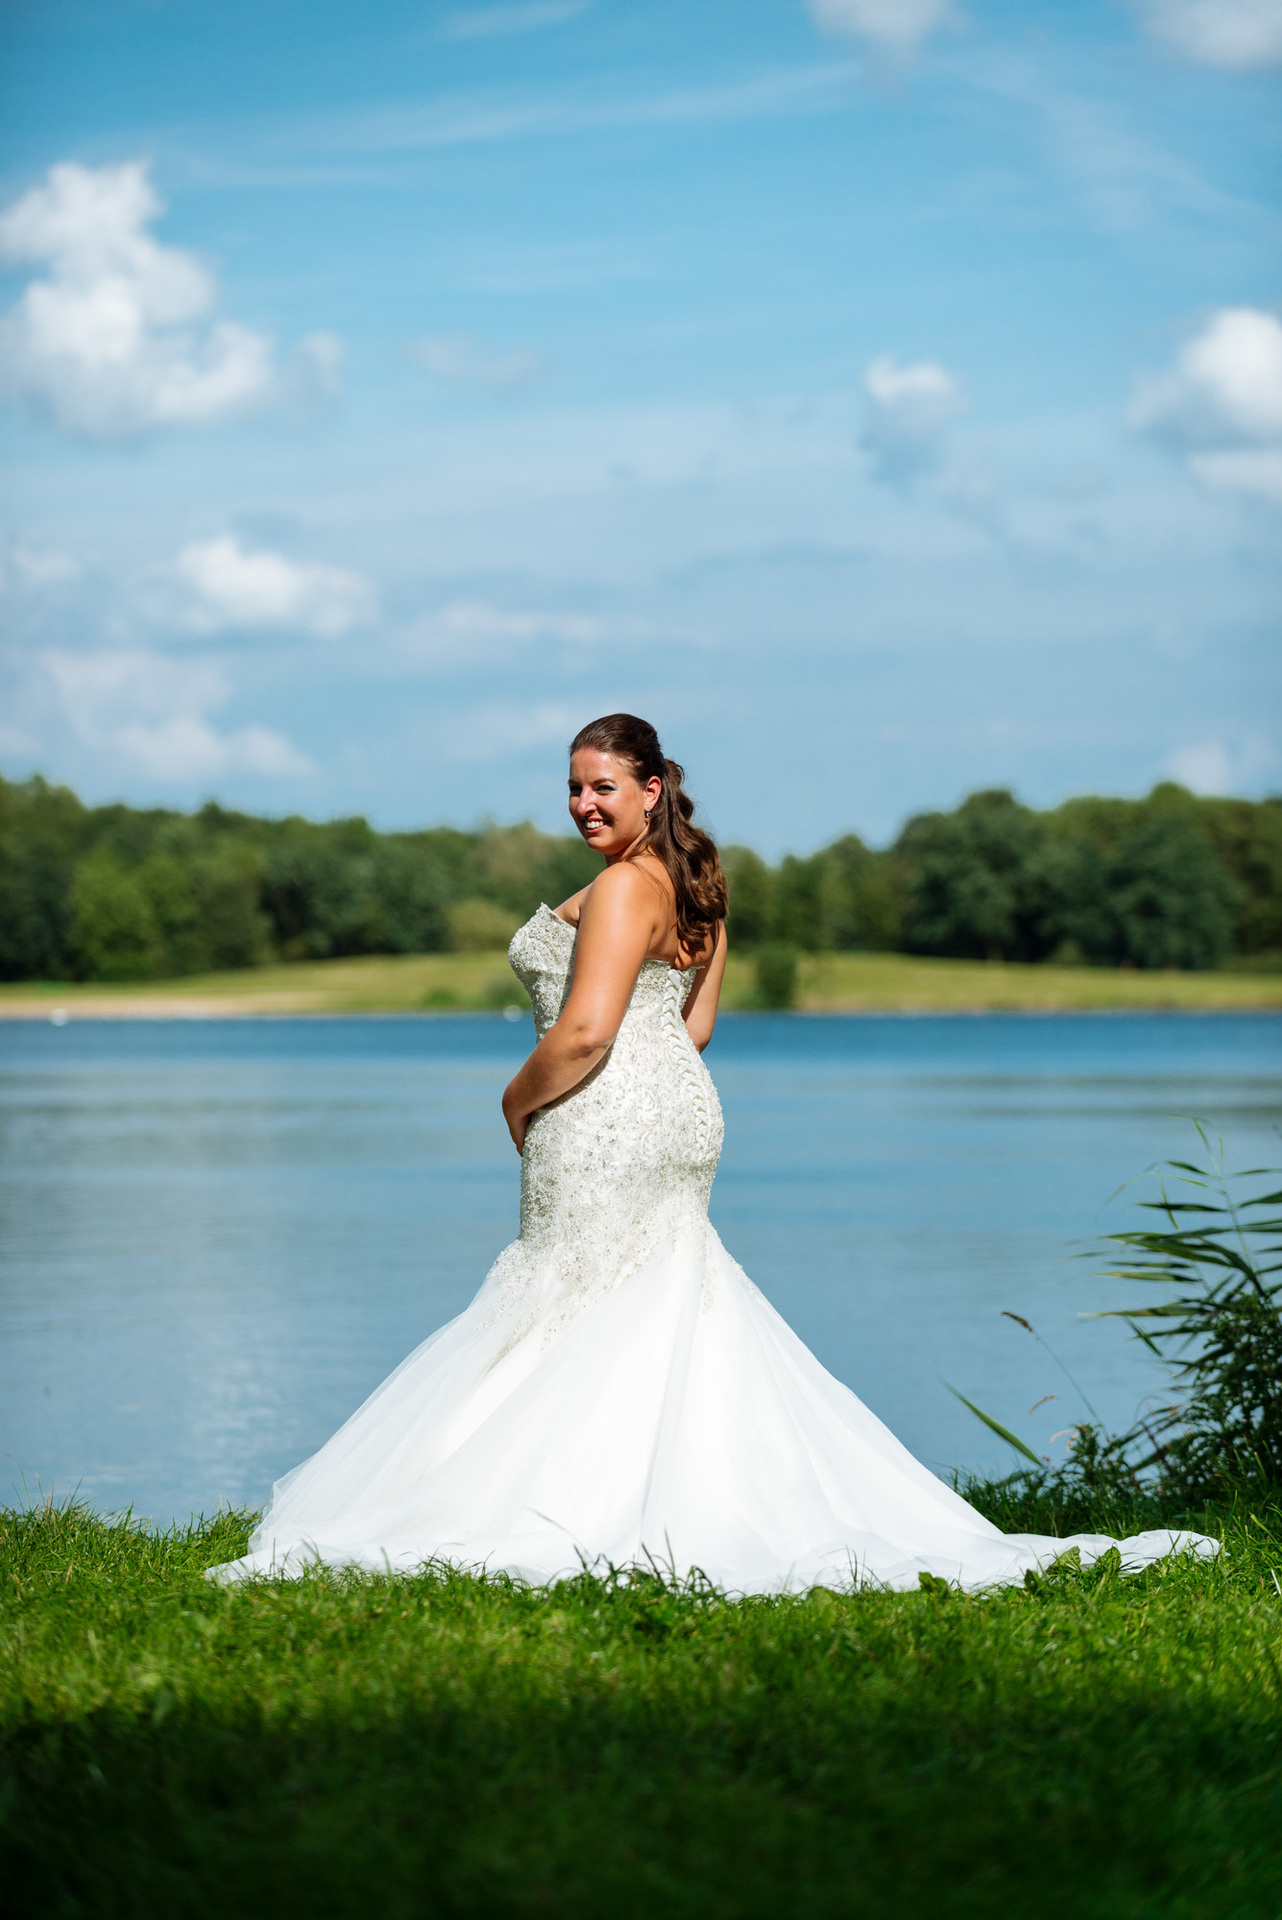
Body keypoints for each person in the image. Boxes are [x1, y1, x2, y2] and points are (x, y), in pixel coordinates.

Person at [211, 715, 1213, 1592]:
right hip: (678, 1110)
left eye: (602, 786)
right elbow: (690, 1032)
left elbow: (587, 1031)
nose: (582, 805)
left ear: (652, 787)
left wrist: (514, 1102)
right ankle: (657, 1486)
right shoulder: (695, 884)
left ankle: (563, 1499)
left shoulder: (616, 894)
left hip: (604, 1107)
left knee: (571, 1290)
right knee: (652, 1295)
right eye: (571, 787)